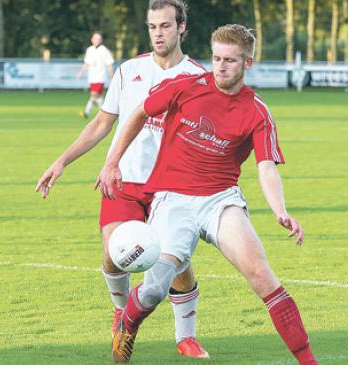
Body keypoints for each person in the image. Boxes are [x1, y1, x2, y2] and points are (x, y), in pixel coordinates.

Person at [97, 24, 318, 364]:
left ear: (248, 63)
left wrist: (280, 210)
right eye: (216, 58)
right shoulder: (186, 87)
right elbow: (139, 112)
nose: (221, 66)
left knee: (262, 275)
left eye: (230, 60)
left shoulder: (257, 111)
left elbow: (266, 166)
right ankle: (127, 323)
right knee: (155, 291)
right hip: (173, 200)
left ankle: (308, 361)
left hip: (221, 201)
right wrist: (112, 163)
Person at [35, 0, 209, 359]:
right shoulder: (129, 71)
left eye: (164, 26)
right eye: (152, 26)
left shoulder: (198, 77)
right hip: (124, 178)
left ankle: (185, 337)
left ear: (181, 28)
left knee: (176, 263)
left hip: (172, 187)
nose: (158, 33)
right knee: (114, 252)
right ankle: (120, 312)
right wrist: (62, 161)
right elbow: (102, 123)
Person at [76, 31, 114, 119]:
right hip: (92, 78)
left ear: (101, 40)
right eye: (95, 38)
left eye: (99, 39)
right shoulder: (89, 50)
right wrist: (80, 73)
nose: (97, 40)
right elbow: (86, 63)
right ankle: (106, 114)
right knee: (98, 97)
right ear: (92, 39)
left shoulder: (104, 50)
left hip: (100, 77)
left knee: (94, 95)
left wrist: (112, 77)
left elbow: (109, 65)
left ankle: (86, 112)